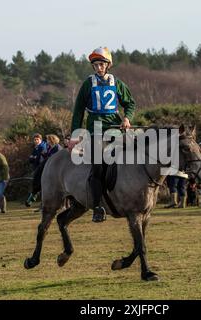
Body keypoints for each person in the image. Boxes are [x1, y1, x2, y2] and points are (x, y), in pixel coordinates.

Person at [69, 47, 136, 223]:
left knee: (136, 155)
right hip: (95, 131)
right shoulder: (87, 84)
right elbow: (78, 112)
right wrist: (74, 135)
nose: (98, 68)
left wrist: (127, 118)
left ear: (108, 65)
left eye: (101, 64)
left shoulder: (117, 83)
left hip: (116, 128)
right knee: (98, 166)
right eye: (96, 65)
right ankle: (97, 206)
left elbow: (130, 103)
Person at [25, 134, 62, 207]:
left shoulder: (57, 147)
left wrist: (42, 156)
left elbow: (53, 158)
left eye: (48, 140)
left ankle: (34, 196)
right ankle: (34, 196)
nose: (47, 141)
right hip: (48, 167)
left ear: (52, 140)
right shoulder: (49, 147)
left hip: (55, 169)